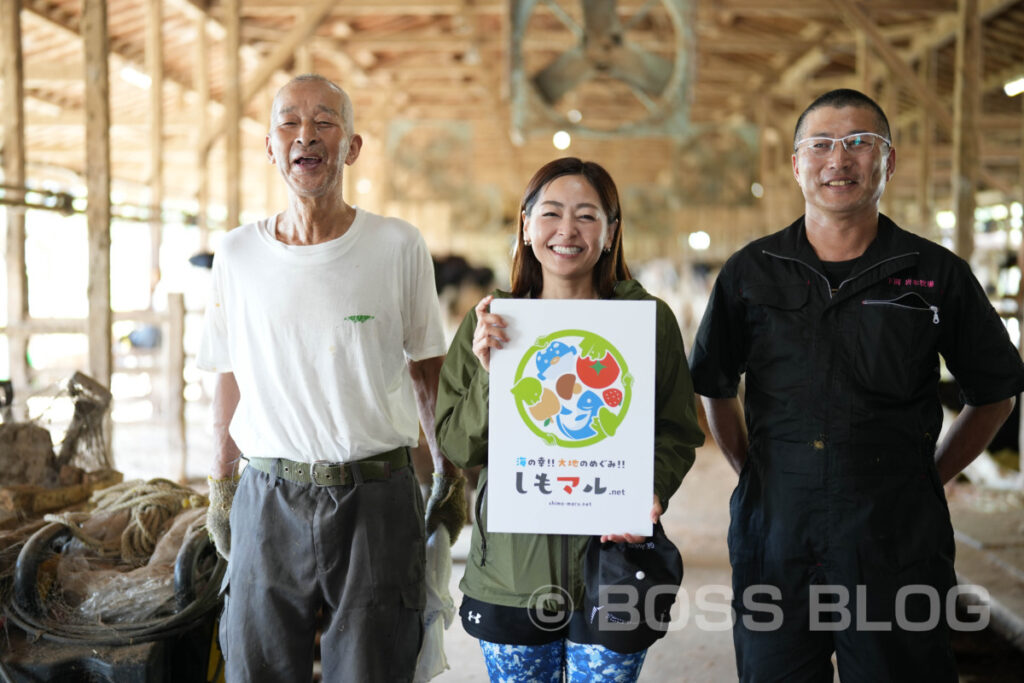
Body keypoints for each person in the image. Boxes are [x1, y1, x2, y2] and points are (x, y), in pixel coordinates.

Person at [688, 88, 1024, 682]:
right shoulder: (751, 271)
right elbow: (714, 384)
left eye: (859, 143)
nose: (838, 160)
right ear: (797, 165)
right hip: (777, 536)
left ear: (887, 161)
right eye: (819, 145)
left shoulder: (935, 273)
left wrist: (931, 475)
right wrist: (756, 471)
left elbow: (995, 391)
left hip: (894, 533)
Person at [197, 74, 466, 683]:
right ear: (270, 146)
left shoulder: (397, 244)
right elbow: (227, 377)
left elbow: (429, 373)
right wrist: (220, 484)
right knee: (256, 664)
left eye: (325, 121)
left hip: (376, 494)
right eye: (289, 122)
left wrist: (450, 475)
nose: (306, 135)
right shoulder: (237, 254)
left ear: (352, 145)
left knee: (373, 668)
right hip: (268, 496)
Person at [435, 157, 704, 682]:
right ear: (526, 226)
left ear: (611, 232)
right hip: (512, 573)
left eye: (586, 215)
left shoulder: (647, 322)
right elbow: (458, 444)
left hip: (615, 568)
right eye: (551, 213)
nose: (566, 230)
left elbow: (677, 429)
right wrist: (494, 373)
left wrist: (652, 487)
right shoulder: (490, 320)